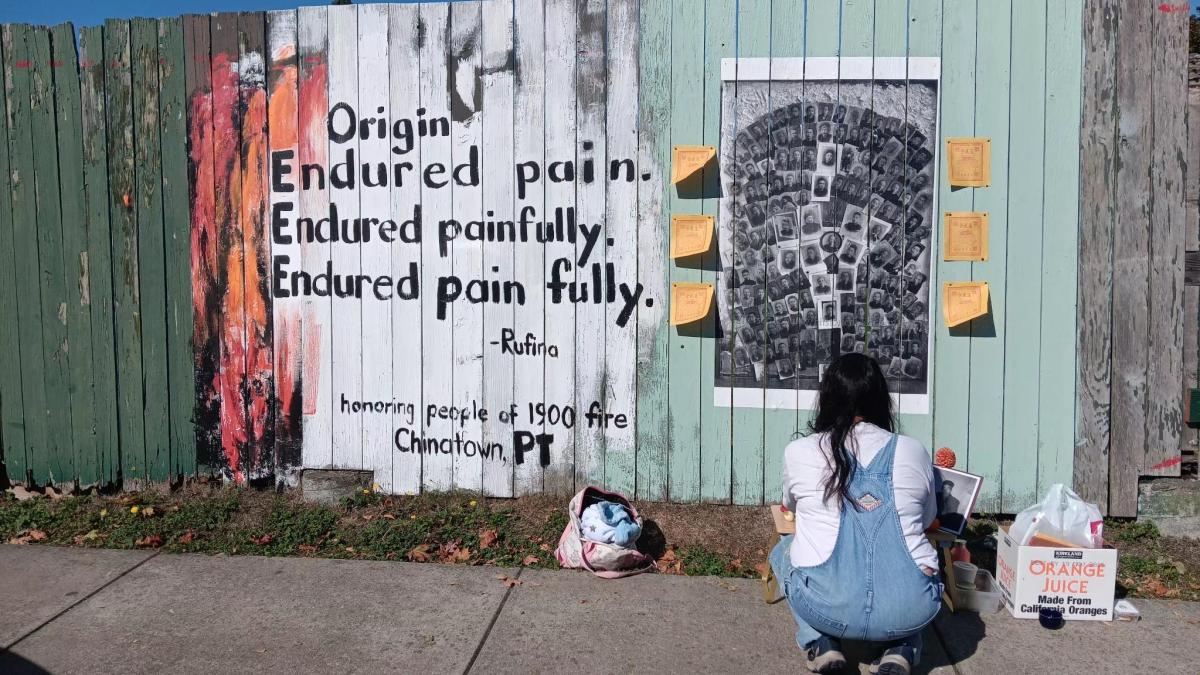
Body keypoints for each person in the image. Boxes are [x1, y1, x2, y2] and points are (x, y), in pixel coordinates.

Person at [770, 354, 941, 674]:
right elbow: (928, 516)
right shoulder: (913, 450)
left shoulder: (800, 451)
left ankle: (821, 642)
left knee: (782, 551)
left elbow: (791, 508)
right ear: (881, 400)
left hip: (826, 607)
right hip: (909, 609)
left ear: (826, 400)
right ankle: (902, 647)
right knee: (925, 567)